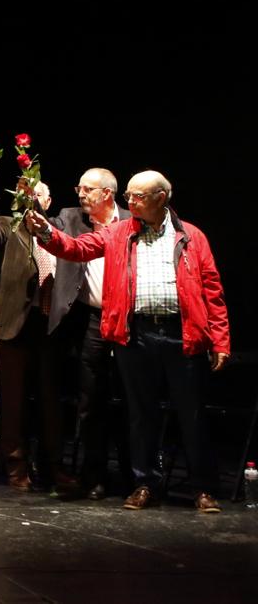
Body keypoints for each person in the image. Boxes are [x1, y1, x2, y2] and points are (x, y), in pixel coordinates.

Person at [27, 170, 229, 513]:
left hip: (183, 334)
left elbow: (212, 288)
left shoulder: (191, 236)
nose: (129, 202)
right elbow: (76, 249)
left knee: (191, 414)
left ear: (161, 198)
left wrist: (220, 340)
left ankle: (203, 489)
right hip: (136, 335)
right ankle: (144, 483)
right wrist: (46, 231)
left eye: (137, 197)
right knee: (141, 414)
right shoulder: (119, 233)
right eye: (129, 196)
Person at [0, 181, 76, 492]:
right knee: (13, 399)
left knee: (50, 400)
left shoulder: (62, 228)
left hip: (51, 325)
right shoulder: (9, 225)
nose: (32, 199)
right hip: (18, 323)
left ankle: (53, 466)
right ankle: (16, 466)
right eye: (26, 195)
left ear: (49, 199)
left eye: (38, 194)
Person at [45, 168, 130, 500]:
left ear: (106, 194)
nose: (80, 193)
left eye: (87, 188)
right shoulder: (70, 217)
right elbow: (49, 230)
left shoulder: (130, 223)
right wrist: (33, 209)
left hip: (126, 318)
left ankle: (133, 476)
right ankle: (93, 476)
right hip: (90, 320)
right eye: (78, 187)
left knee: (128, 399)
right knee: (90, 400)